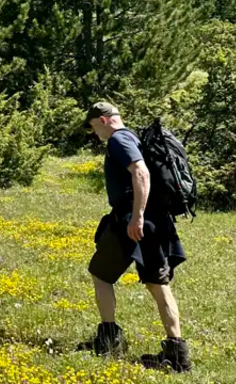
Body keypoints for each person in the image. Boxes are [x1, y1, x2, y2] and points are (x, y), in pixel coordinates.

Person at [82, 102, 191, 372]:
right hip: (156, 221)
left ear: (103, 120)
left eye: (94, 127)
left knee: (100, 274)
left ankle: (108, 340)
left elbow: (140, 172)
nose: (95, 134)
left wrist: (137, 216)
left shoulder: (118, 140)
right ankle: (177, 354)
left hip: (132, 223)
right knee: (158, 284)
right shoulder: (133, 137)